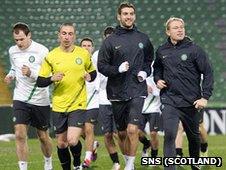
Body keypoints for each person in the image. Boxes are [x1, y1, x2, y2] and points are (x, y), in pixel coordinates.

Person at [98, 2, 154, 169]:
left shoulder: (143, 38)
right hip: (116, 92)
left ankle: (129, 165)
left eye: (131, 13)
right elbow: (102, 66)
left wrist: (145, 72)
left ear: (134, 16)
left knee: (132, 130)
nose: (128, 16)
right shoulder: (110, 41)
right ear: (119, 16)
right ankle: (128, 160)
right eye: (125, 14)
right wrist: (117, 69)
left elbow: (149, 59)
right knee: (121, 133)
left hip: (137, 89)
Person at [153, 17, 214, 170]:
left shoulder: (195, 49)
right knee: (170, 135)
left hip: (191, 102)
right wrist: (158, 79)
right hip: (169, 100)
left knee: (194, 139)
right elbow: (157, 69)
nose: (180, 30)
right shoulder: (161, 50)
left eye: (181, 27)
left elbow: (208, 73)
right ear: (168, 31)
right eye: (175, 27)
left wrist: (205, 97)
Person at [36, 23, 96, 170]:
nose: (67, 37)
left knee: (72, 140)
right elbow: (40, 81)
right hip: (58, 105)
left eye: (70, 34)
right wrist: (51, 78)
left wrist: (89, 76)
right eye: (64, 33)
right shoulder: (51, 56)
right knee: (62, 144)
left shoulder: (83, 54)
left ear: (74, 36)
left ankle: (77, 163)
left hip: (78, 104)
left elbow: (92, 73)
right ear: (59, 35)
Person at [4, 22, 53, 170]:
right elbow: (14, 67)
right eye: (16, 40)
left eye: (21, 39)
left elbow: (49, 76)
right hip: (21, 97)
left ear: (29, 35)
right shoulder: (13, 51)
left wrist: (31, 73)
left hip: (40, 99)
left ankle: (48, 162)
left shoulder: (42, 51)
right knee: (19, 134)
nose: (19, 43)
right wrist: (10, 75)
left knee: (43, 136)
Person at [95, 26, 121, 170]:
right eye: (107, 36)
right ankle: (116, 162)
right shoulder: (97, 55)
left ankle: (129, 161)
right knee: (107, 134)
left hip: (119, 99)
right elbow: (95, 77)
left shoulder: (123, 52)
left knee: (121, 134)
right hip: (104, 99)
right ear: (104, 38)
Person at [80, 37, 100, 168]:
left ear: (92, 48)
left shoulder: (97, 62)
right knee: (77, 131)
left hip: (93, 100)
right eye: (84, 45)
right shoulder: (76, 61)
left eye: (89, 45)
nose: (86, 47)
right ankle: (92, 145)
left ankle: (87, 159)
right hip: (78, 101)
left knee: (88, 128)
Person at [139, 73, 161, 159]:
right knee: (137, 132)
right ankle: (146, 143)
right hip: (141, 108)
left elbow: (163, 91)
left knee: (153, 133)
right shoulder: (141, 70)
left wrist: (153, 91)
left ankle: (154, 157)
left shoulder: (160, 71)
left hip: (154, 108)